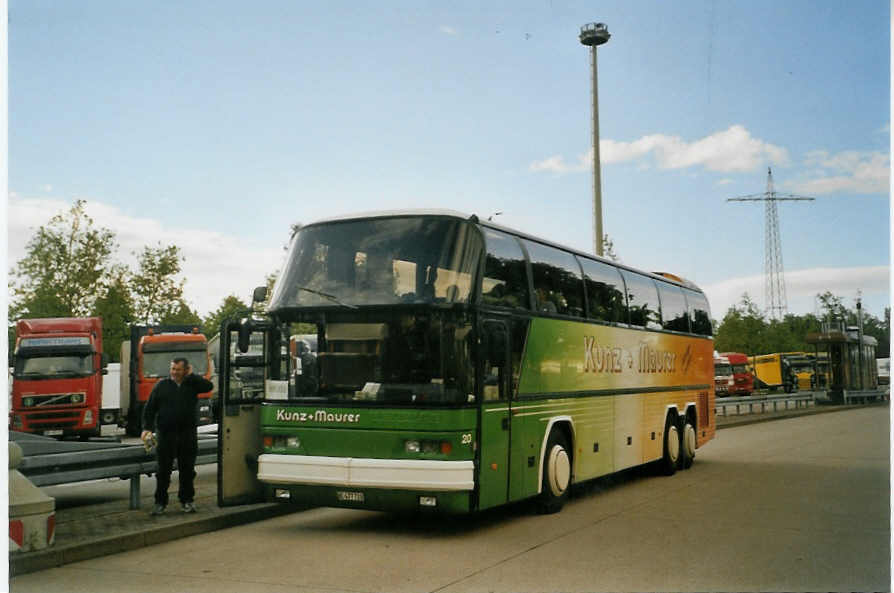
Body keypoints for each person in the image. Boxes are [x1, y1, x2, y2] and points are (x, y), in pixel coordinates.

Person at [141, 357, 213, 515]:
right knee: (163, 471)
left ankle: (187, 501)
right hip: (166, 435)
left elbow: (208, 386)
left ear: (186, 370)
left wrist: (193, 376)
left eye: (178, 369)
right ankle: (160, 503)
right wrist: (146, 428)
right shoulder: (162, 385)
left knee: (187, 470)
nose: (174, 372)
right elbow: (150, 408)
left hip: (187, 435)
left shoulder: (192, 384)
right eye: (172, 369)